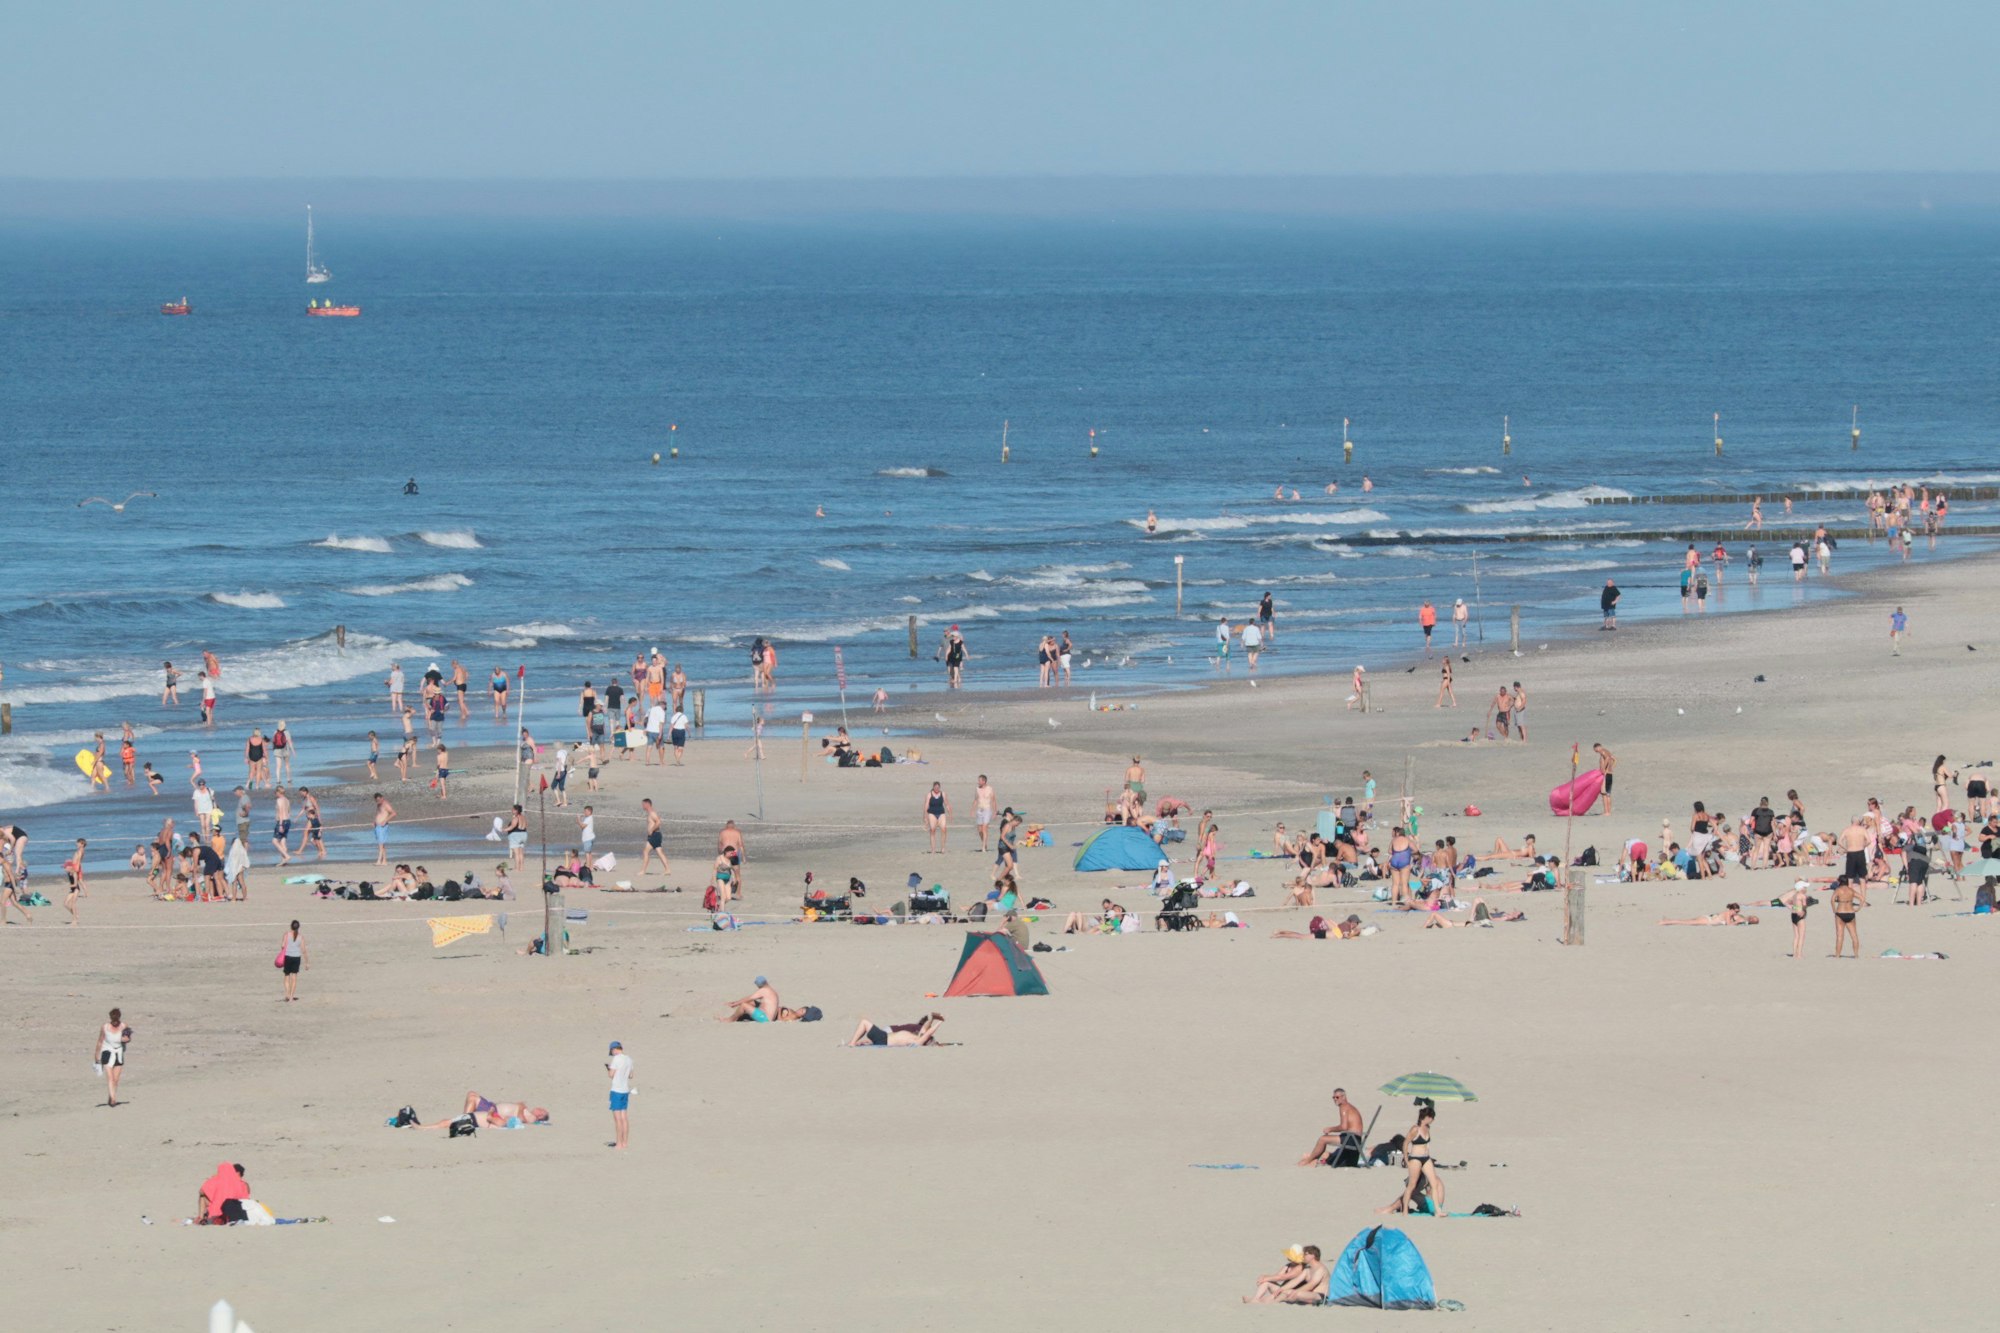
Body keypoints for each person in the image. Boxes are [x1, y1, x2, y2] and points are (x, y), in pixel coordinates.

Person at [1379, 1102, 1443, 1217]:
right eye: (1432, 1118)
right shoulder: (1415, 1129)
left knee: (1433, 1182)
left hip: (1426, 1158)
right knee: (1412, 1186)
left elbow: (1427, 1145)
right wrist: (1406, 1158)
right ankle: (1405, 1211)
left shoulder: (1428, 1128)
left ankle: (1438, 1211)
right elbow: (1406, 1143)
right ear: (1427, 1118)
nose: (1433, 1120)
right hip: (1415, 1158)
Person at [1297, 1088, 1366, 1167]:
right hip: (1355, 1139)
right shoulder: (1349, 1107)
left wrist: (1330, 1129)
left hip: (1351, 1138)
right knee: (1328, 1151)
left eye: (1337, 1097)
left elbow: (1344, 1127)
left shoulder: (1344, 1107)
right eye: (1333, 1097)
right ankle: (1313, 1159)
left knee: (1322, 1139)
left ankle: (1308, 1161)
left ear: (1343, 1097)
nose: (1335, 1099)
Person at [1245, 1245, 1328, 1305]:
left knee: (1295, 1293)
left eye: (1305, 1254)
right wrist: (1280, 1290)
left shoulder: (1320, 1269)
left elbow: (1311, 1285)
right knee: (1287, 1291)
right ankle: (1262, 1300)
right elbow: (1295, 1281)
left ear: (1313, 1255)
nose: (1303, 1256)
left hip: (1320, 1296)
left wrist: (1295, 1291)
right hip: (1307, 1293)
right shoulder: (1307, 1269)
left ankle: (1267, 1302)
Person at [416, 1093, 550, 1130]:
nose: (540, 1109)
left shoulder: (532, 1117)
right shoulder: (528, 1110)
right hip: (492, 1109)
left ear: (540, 1116)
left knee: (473, 1098)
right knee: (471, 1095)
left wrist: (521, 1106)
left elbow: (521, 1119)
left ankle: (465, 1117)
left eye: (542, 1111)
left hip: (493, 1112)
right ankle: (465, 1117)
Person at [96, 1007, 130, 1106]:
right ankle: (113, 1100)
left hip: (118, 1053)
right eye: (113, 1020)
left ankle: (111, 1096)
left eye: (116, 1020)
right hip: (107, 1052)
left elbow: (128, 1038)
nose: (115, 1022)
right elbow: (100, 1041)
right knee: (110, 1078)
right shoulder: (105, 1027)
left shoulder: (124, 1026)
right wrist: (96, 1055)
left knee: (116, 1079)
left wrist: (123, 1039)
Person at [847, 1013, 945, 1047]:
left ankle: (852, 1043)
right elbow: (925, 1028)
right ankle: (854, 1042)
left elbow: (928, 1033)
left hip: (883, 1039)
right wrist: (933, 1019)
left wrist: (940, 1022)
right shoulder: (918, 1036)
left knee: (864, 1022)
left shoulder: (918, 1041)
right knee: (864, 1023)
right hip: (883, 1037)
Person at [606, 1041, 633, 1150]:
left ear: (614, 1049)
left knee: (617, 1119)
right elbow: (631, 1075)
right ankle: (625, 1143)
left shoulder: (616, 1059)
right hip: (625, 1090)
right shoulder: (629, 1059)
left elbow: (611, 1075)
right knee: (624, 1118)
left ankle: (619, 1144)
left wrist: (609, 1069)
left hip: (616, 1090)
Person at [1832, 876, 1862, 959]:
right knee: (1854, 935)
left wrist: (1834, 909)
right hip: (1850, 912)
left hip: (1840, 913)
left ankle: (1837, 955)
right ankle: (1856, 955)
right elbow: (1862, 898)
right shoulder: (1851, 890)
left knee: (1840, 936)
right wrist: (1858, 908)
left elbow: (1832, 899)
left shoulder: (1838, 890)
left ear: (1840, 882)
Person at [279, 920, 306, 1001]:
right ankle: (291, 997)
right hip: (297, 957)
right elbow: (303, 950)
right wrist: (307, 962)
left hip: (288, 957)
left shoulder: (286, 935)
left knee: (287, 976)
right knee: (294, 977)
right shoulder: (301, 936)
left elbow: (283, 946)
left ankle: (287, 994)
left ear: (291, 926)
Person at [1657, 903, 1757, 925]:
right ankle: (1664, 922)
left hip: (1708, 917)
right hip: (1708, 920)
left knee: (1687, 920)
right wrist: (1737, 922)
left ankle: (1667, 920)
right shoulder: (1728, 913)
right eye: (1736, 911)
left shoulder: (1729, 913)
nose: (1737, 912)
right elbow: (1729, 925)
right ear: (1731, 909)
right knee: (1686, 922)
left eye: (1738, 911)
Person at [640, 798, 669, 874]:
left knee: (645, 852)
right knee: (660, 852)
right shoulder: (650, 813)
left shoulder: (652, 813)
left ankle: (643, 871)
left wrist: (651, 830)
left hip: (654, 835)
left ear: (647, 804)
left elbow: (658, 822)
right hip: (656, 835)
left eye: (643, 804)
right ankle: (667, 870)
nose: (642, 806)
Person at [923, 782, 950, 853]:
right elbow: (926, 806)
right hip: (932, 813)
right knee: (932, 830)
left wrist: (950, 812)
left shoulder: (943, 794)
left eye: (938, 787)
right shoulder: (929, 794)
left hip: (941, 813)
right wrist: (925, 817)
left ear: (939, 787)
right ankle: (933, 849)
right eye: (935, 787)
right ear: (933, 787)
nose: (937, 789)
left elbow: (946, 804)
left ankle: (943, 848)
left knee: (944, 829)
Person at [973, 775, 997, 853]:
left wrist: (995, 812)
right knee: (980, 830)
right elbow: (976, 800)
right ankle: (984, 843)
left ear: (984, 781)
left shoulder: (990, 789)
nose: (978, 782)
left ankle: (983, 847)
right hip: (979, 810)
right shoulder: (977, 789)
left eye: (979, 780)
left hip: (987, 809)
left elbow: (993, 800)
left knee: (984, 828)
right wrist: (972, 810)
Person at [1594, 743, 1616, 815]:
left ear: (1597, 747)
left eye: (1595, 749)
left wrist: (1604, 769)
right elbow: (1615, 759)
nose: (1595, 751)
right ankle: (1609, 812)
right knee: (1608, 794)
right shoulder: (1608, 752)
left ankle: (1606, 812)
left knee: (1604, 793)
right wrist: (1611, 767)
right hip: (1610, 774)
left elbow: (1607, 758)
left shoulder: (1602, 751)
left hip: (1606, 775)